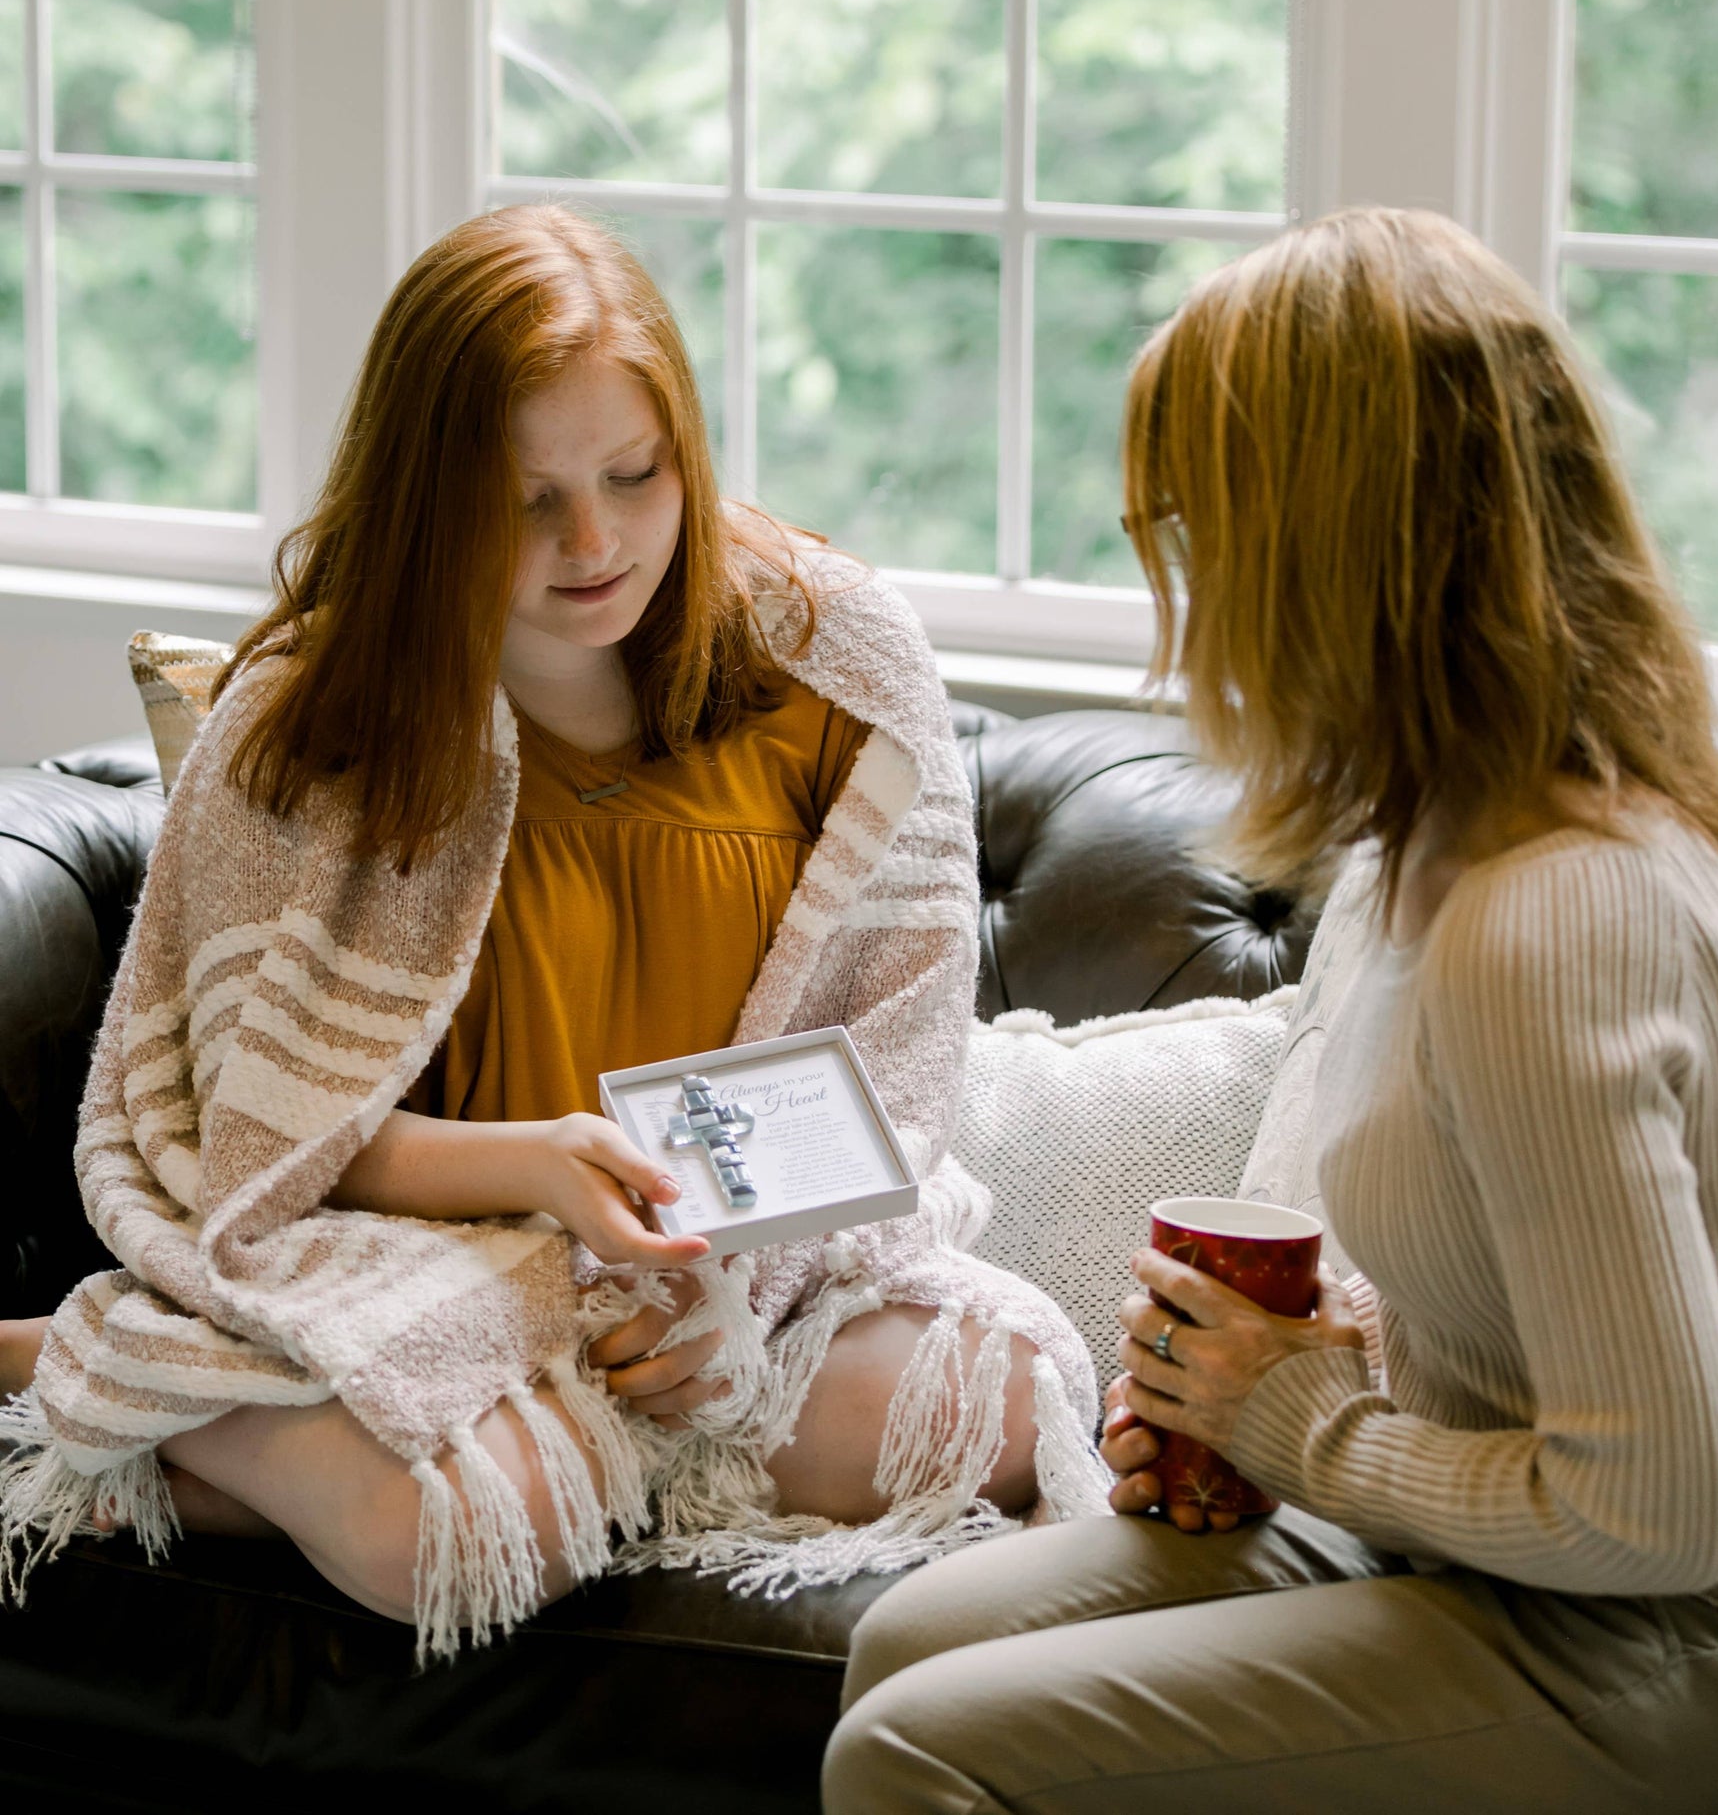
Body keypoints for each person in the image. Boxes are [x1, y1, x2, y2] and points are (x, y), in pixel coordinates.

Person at [823, 207, 1718, 1812]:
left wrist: (1299, 1423)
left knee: (912, 1749)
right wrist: (1274, 1377)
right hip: (1518, 1560)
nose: (1182, 613)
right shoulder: (1424, 844)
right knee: (907, 1641)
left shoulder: (1551, 920)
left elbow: (1662, 1507)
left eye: (1199, 532)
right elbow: (1525, 1301)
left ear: (1323, 550)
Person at [0, 204, 1101, 1660]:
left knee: (1015, 1391)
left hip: (740, 1278)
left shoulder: (836, 668)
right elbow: (259, 1140)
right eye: (526, 502)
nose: (594, 541)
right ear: (426, 500)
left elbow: (892, 1086)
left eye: (635, 476)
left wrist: (725, 1299)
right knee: (460, 1539)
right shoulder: (308, 721)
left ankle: (230, 1418)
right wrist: (537, 1166)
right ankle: (130, 1376)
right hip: (422, 1254)